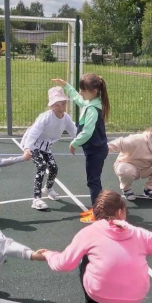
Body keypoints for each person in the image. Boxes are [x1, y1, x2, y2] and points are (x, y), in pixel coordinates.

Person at [51, 74, 110, 223]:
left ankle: (98, 213)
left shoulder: (92, 109)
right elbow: (77, 98)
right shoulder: (92, 103)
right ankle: (96, 208)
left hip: (96, 151)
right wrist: (66, 86)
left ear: (94, 90)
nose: (81, 93)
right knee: (94, 180)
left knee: (93, 181)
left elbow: (87, 132)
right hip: (94, 149)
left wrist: (74, 143)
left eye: (83, 90)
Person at [20, 86, 78, 211]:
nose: (60, 107)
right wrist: (27, 148)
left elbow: (75, 132)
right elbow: (33, 133)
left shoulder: (66, 118)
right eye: (57, 105)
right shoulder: (45, 117)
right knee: (41, 166)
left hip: (46, 147)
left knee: (53, 168)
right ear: (52, 106)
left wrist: (83, 141)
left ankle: (48, 188)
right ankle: (36, 199)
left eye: (62, 104)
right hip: (33, 145)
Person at [107, 117, 152, 200]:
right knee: (127, 171)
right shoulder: (138, 139)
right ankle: (126, 189)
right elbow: (120, 143)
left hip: (145, 169)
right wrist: (103, 148)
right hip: (127, 165)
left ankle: (149, 190)